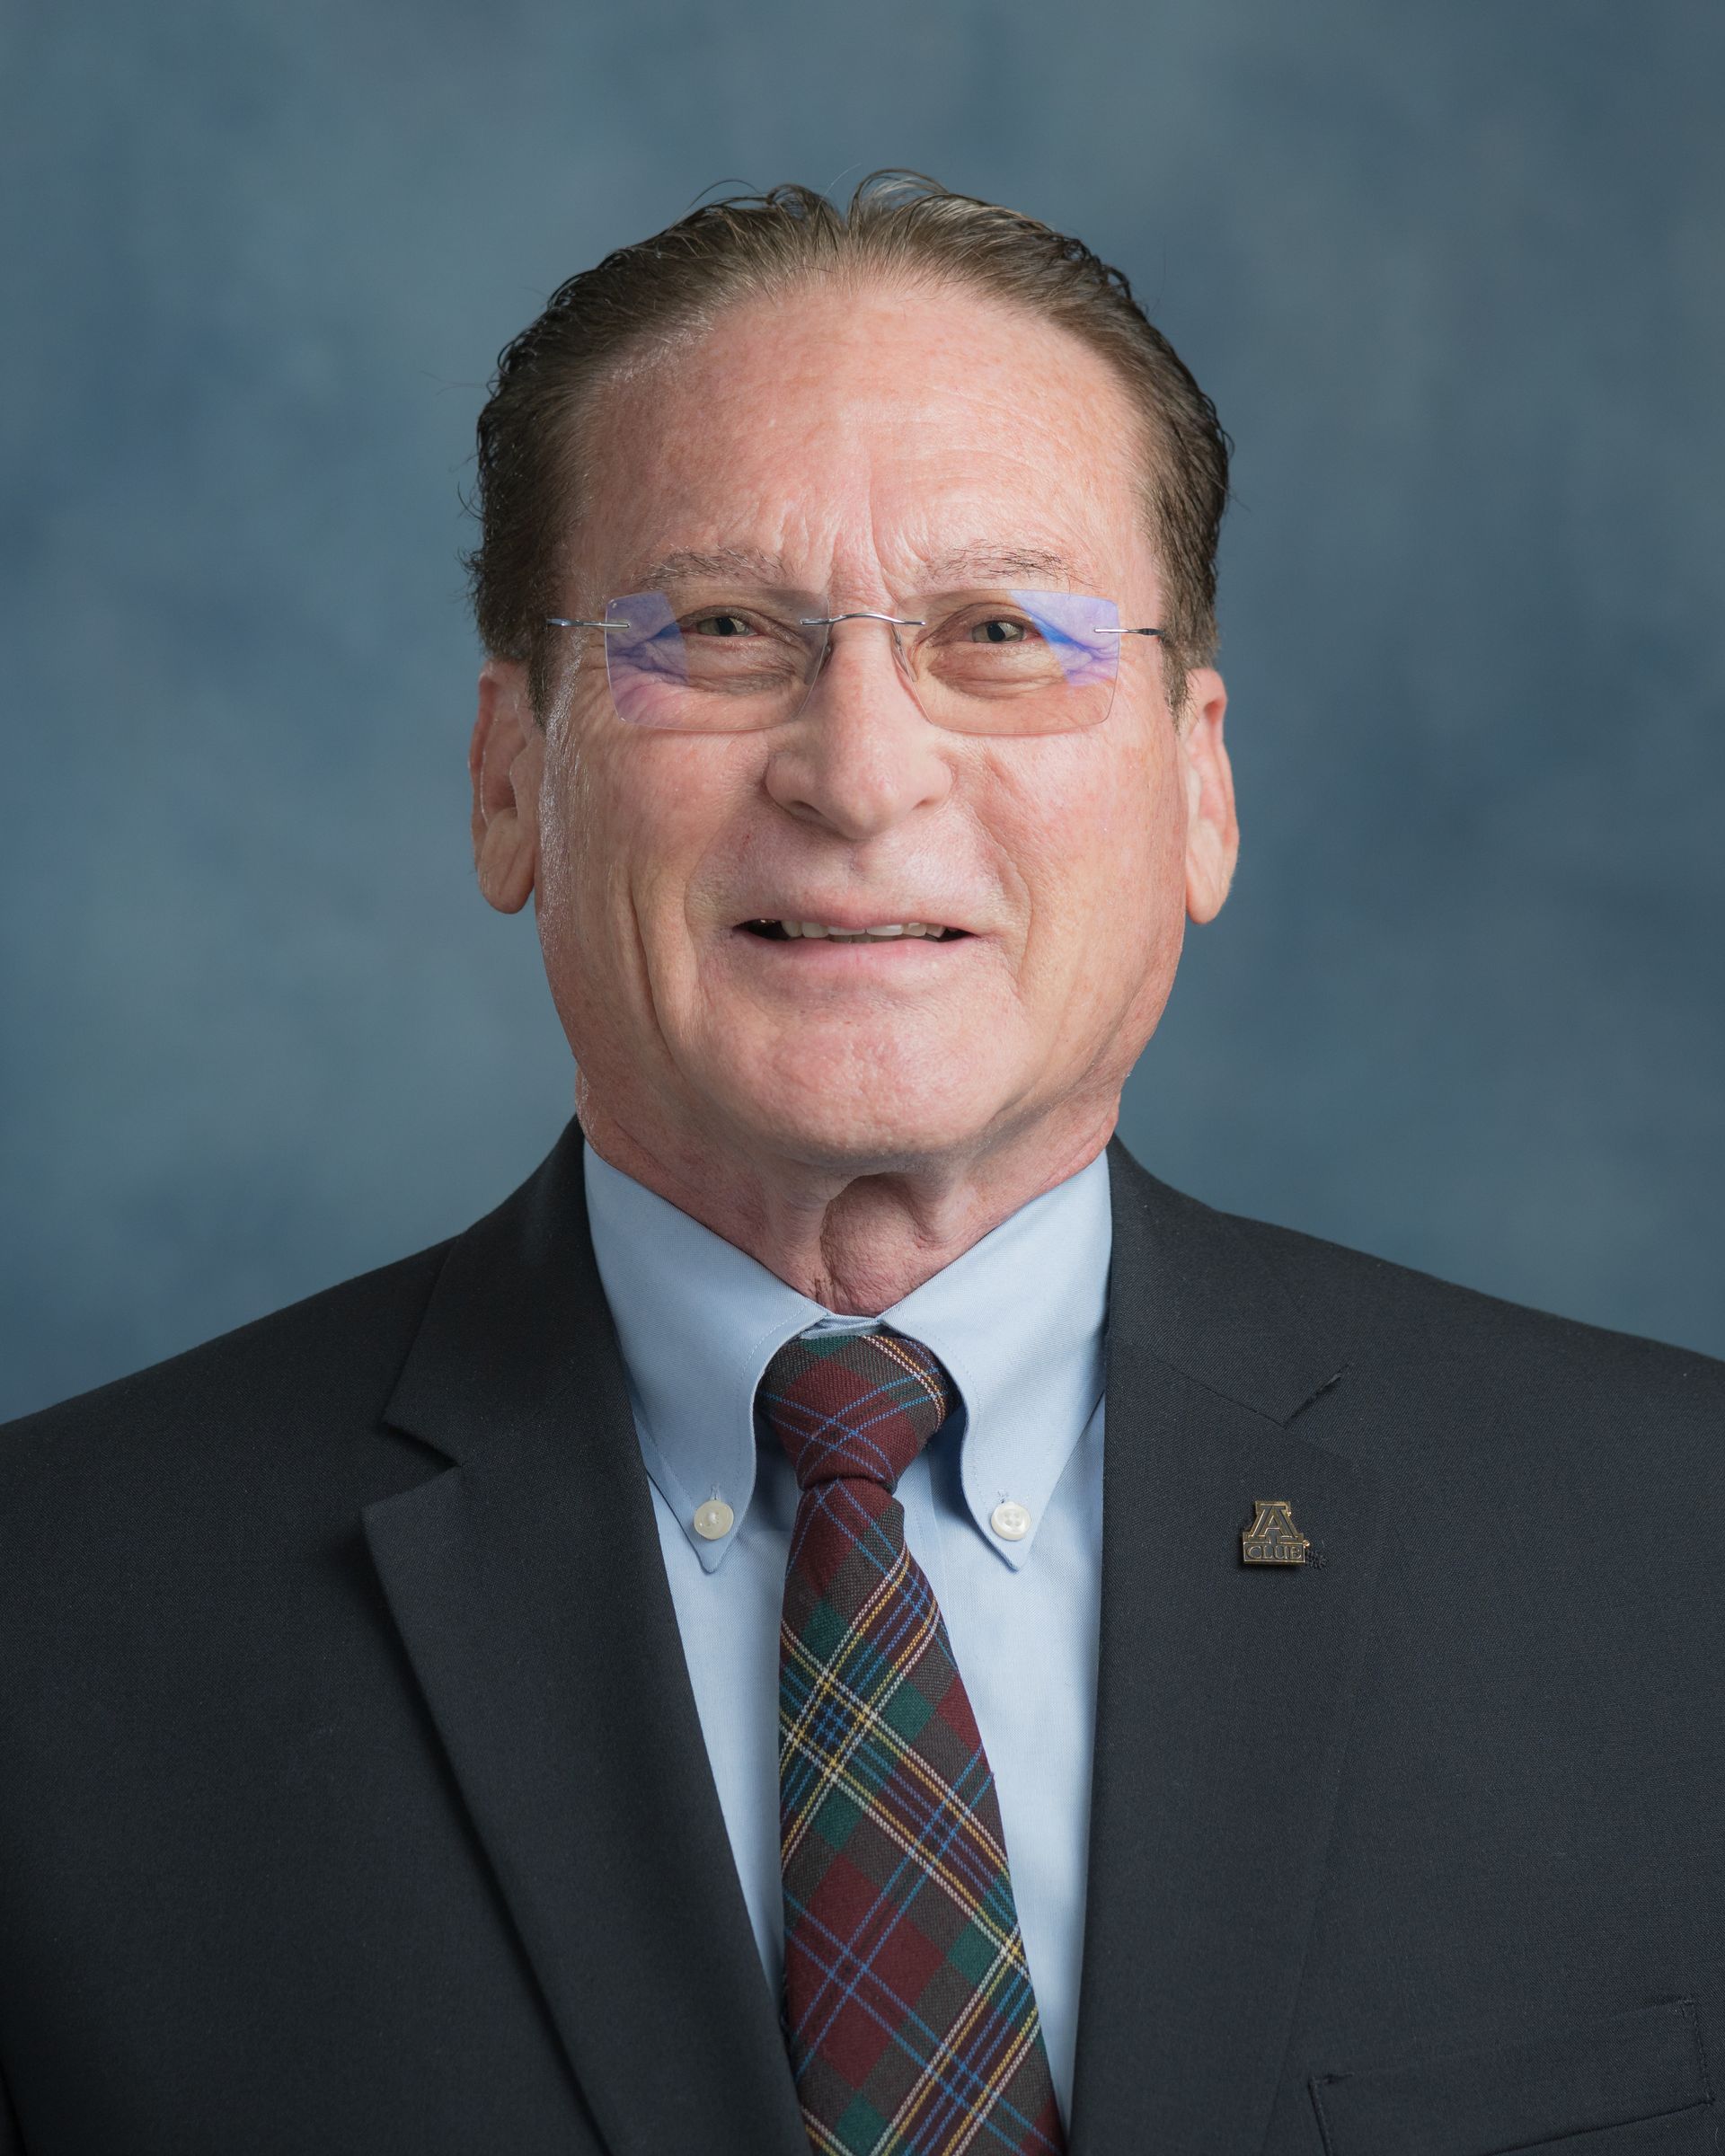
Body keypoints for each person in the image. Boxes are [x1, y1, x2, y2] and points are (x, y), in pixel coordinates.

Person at [0, 173, 1720, 2156]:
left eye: (1000, 634)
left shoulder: (1683, 1566)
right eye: (722, 631)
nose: (862, 768)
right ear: (506, 782)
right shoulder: (54, 1641)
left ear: (1200, 787)